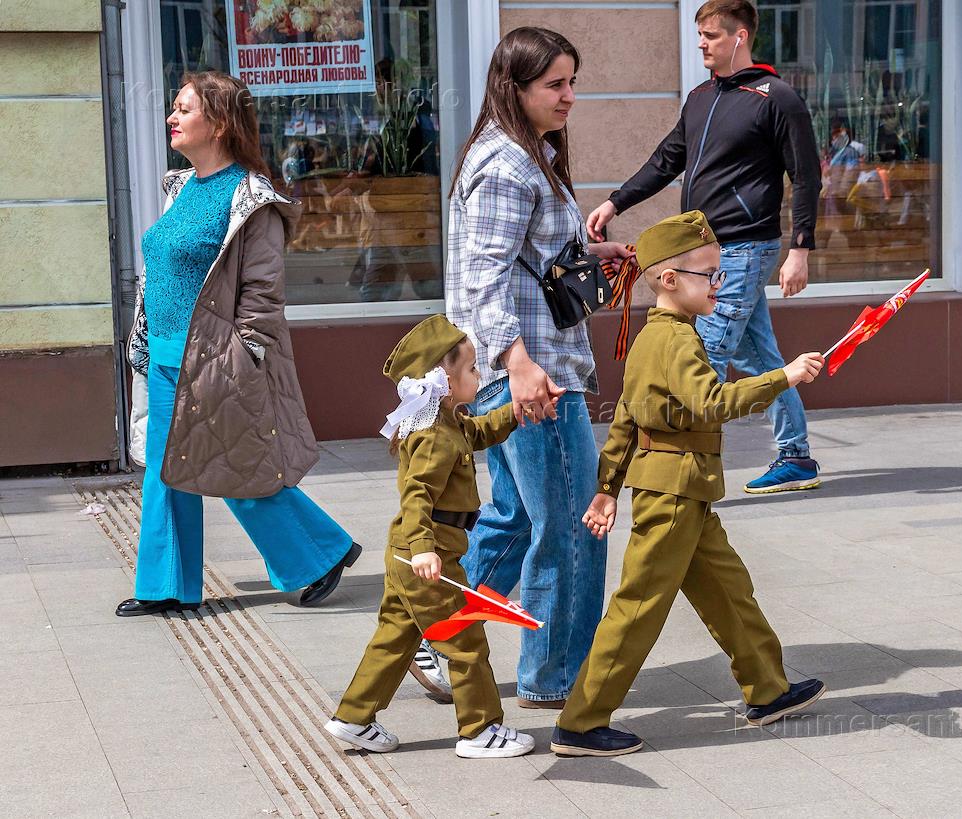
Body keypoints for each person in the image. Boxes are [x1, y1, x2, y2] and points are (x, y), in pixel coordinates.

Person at [551, 212, 827, 756]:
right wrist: (784, 376)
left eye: (718, 272)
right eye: (708, 274)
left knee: (728, 590)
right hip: (673, 495)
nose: (718, 284)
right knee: (638, 606)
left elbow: (626, 417)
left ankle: (768, 689)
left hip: (685, 492)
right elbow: (711, 402)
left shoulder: (658, 337)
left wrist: (608, 487)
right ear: (670, 280)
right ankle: (581, 722)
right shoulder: (675, 341)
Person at [418, 26, 632, 709]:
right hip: (532, 377)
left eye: (572, 82)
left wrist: (592, 257)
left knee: (513, 520)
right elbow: (483, 279)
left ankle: (439, 637)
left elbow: (522, 261)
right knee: (572, 524)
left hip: (521, 370)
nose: (569, 97)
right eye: (554, 84)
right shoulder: (508, 165)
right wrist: (518, 364)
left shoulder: (525, 152)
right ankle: (558, 677)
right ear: (513, 88)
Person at [118, 71, 360, 617]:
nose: (171, 118)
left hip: (212, 359)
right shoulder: (182, 188)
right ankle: (165, 586)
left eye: (184, 109)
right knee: (165, 470)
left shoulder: (251, 199)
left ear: (221, 124)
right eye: (173, 108)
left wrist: (243, 353)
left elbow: (263, 292)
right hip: (162, 354)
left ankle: (318, 553)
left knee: (231, 466)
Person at [586, 0, 824, 495]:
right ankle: (796, 455)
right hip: (707, 252)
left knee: (703, 357)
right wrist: (615, 202)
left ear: (740, 37)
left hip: (745, 247)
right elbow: (665, 160)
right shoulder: (700, 97)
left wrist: (800, 249)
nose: (701, 44)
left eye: (711, 35)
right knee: (760, 359)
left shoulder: (776, 98)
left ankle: (682, 473)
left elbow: (806, 177)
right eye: (699, 34)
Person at [324, 315, 537, 759]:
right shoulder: (433, 435)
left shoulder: (447, 423)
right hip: (426, 555)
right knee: (464, 640)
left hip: (414, 554)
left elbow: (477, 433)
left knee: (396, 637)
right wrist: (424, 550)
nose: (478, 376)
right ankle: (480, 730)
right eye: (472, 369)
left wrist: (514, 412)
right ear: (445, 380)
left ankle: (354, 717)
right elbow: (416, 495)